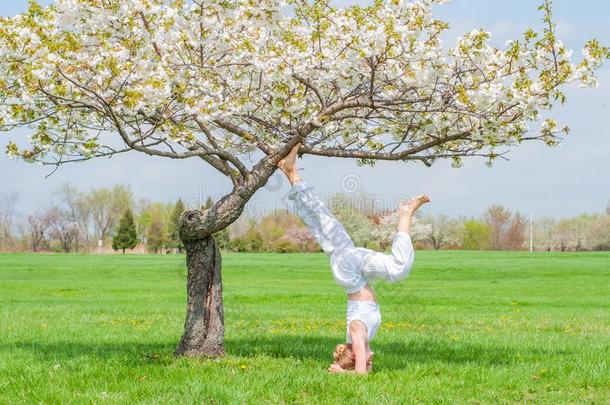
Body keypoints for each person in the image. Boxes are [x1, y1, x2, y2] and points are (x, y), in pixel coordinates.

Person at [278, 143, 430, 374]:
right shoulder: (362, 339)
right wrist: (355, 367)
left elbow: (361, 375)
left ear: (356, 354)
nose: (371, 359)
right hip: (352, 273)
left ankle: (405, 213)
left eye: (367, 360)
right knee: (322, 222)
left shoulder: (357, 333)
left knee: (399, 268)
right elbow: (364, 372)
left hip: (351, 273)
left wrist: (343, 372)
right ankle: (291, 172)